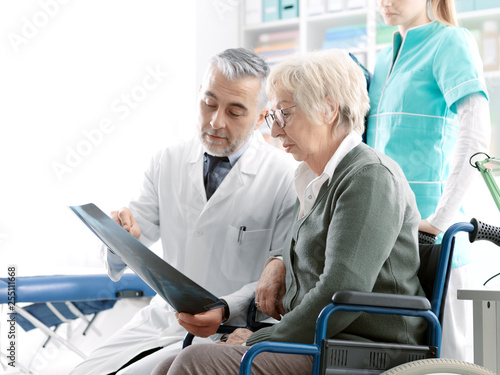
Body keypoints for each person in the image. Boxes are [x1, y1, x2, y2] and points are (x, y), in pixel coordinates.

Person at [152, 48, 427, 375]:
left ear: (327, 110)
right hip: (324, 341)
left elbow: (341, 291)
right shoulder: (316, 180)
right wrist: (279, 263)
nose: (276, 130)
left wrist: (259, 339)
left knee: (193, 362)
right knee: (168, 364)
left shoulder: (369, 177)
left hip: (363, 349)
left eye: (284, 114)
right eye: (272, 116)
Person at [69, 48, 297, 375]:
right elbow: (130, 244)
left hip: (226, 329)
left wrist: (223, 307)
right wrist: (121, 237)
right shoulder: (168, 160)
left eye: (234, 112)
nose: (216, 122)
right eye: (209, 103)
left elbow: (278, 278)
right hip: (162, 318)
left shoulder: (283, 178)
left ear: (261, 116)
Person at [367, 0, 491, 360]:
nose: (385, 2)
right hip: (387, 244)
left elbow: (475, 137)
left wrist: (440, 218)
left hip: (435, 244)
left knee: (446, 365)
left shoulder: (450, 42)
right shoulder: (381, 58)